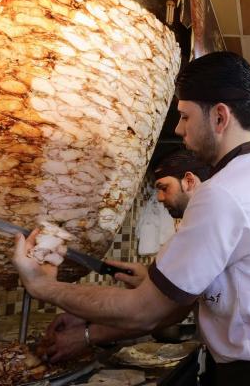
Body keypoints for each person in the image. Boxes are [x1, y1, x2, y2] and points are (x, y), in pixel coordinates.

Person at [13, 52, 250, 385]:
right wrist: (108, 309)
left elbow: (143, 312)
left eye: (185, 116)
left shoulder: (223, 193)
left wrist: (44, 286)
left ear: (219, 117)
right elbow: (210, 290)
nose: (178, 128)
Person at [41, 149, 210, 362]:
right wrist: (148, 280)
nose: (158, 197)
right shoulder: (199, 223)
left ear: (189, 181)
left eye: (164, 188)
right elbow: (175, 306)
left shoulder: (202, 227)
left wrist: (44, 287)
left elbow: (147, 312)